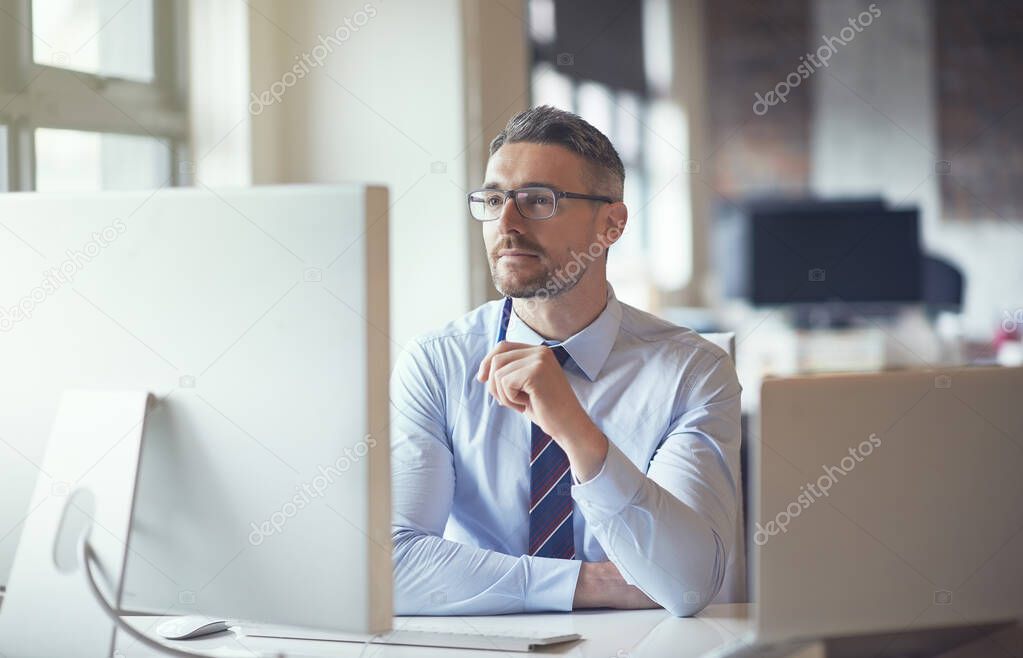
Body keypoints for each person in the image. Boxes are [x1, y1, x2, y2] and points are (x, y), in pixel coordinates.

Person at [390, 105, 741, 617]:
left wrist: (576, 431)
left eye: (538, 201)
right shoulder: (437, 362)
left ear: (612, 224)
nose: (505, 224)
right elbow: (391, 568)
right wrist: (589, 584)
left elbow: (686, 585)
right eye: (493, 199)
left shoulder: (693, 372)